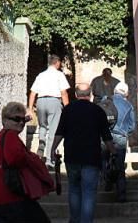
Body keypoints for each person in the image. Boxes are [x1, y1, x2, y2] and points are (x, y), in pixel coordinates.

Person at [51, 83, 114, 223]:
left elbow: (60, 132)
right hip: (91, 157)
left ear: (75, 94)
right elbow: (106, 136)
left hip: (72, 156)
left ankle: (74, 220)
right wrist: (113, 152)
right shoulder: (97, 110)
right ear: (90, 94)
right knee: (89, 192)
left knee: (74, 189)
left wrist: (52, 148)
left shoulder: (68, 110)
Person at [0, 102, 52, 223]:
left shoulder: (0, 137)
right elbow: (14, 158)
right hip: (9, 200)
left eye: (23, 120)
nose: (21, 123)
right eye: (16, 119)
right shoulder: (10, 135)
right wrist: (32, 158)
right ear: (5, 120)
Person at [28, 54, 70, 168]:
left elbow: (33, 93)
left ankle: (41, 143)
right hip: (54, 101)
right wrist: (68, 109)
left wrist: (30, 108)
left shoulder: (41, 75)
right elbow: (64, 93)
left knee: (42, 126)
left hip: (41, 101)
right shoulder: (59, 75)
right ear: (57, 63)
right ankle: (49, 159)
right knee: (53, 130)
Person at [102, 81, 135, 202]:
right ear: (126, 93)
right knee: (120, 166)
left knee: (104, 159)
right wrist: (125, 132)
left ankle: (107, 181)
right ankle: (121, 194)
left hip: (105, 136)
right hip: (120, 136)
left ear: (115, 91)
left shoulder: (105, 101)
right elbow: (132, 126)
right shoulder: (128, 105)